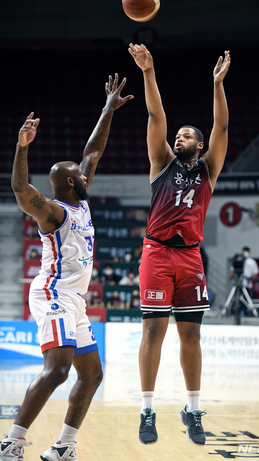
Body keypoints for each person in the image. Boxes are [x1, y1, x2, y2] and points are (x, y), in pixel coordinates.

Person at [0, 74, 133, 461]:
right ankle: (12, 441)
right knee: (58, 369)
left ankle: (64, 446)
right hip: (52, 292)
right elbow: (22, 192)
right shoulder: (55, 213)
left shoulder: (81, 200)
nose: (87, 171)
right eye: (81, 172)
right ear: (74, 181)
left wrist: (108, 108)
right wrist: (21, 149)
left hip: (74, 298)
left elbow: (93, 150)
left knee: (91, 374)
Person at [128, 43, 230, 446]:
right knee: (153, 332)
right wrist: (148, 71)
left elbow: (221, 127)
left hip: (190, 257)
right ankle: (147, 409)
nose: (180, 136)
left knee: (191, 336)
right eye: (179, 134)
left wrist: (217, 84)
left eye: (188, 135)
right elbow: (156, 114)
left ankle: (192, 407)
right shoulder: (161, 162)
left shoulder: (210, 169)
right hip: (156, 253)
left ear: (199, 146)